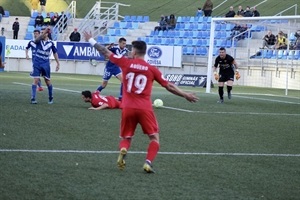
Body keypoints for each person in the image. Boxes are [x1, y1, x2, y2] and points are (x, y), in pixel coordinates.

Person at [83, 31, 199, 173]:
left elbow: (106, 52)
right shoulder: (152, 69)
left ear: (135, 52)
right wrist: (185, 95)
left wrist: (91, 40)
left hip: (127, 107)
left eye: (131, 50)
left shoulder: (126, 63)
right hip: (144, 108)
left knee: (126, 137)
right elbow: (169, 86)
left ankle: (124, 149)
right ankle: (148, 163)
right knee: (154, 137)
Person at [30, 27, 60, 104]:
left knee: (47, 81)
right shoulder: (38, 41)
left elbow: (55, 53)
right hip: (37, 62)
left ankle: (50, 97)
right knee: (36, 80)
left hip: (45, 64)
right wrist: (44, 32)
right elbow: (36, 40)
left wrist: (58, 63)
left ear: (47, 34)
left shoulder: (51, 43)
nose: (41, 34)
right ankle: (33, 98)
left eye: (44, 32)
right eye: (41, 32)